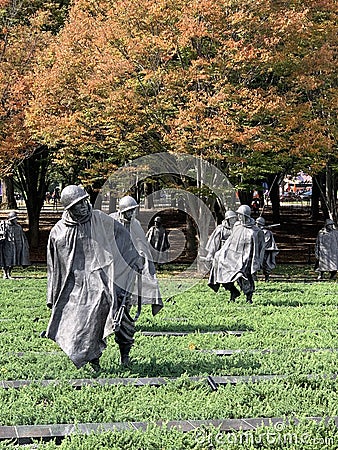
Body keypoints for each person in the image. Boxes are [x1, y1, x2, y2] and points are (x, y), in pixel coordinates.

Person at [45, 185, 143, 371]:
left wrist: (134, 259)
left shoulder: (100, 219)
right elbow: (54, 267)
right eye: (77, 204)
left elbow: (122, 237)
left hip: (107, 279)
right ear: (68, 208)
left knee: (122, 318)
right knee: (83, 324)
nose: (83, 206)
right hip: (76, 287)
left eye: (84, 201)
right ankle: (93, 360)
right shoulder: (58, 233)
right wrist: (53, 296)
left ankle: (125, 356)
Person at [111, 196, 163, 315]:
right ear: (122, 211)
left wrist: (142, 256)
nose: (131, 213)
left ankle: (125, 312)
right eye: (129, 211)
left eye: (133, 210)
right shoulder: (112, 221)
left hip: (130, 262)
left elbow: (141, 243)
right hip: (114, 262)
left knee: (127, 292)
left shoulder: (135, 223)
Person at [208, 204, 265, 303]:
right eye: (238, 214)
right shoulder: (237, 226)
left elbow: (261, 248)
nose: (238, 217)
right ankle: (233, 292)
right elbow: (229, 242)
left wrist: (258, 261)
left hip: (246, 259)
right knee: (221, 269)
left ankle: (249, 297)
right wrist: (220, 253)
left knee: (243, 276)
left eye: (240, 215)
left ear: (246, 216)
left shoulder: (255, 231)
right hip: (233, 257)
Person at [2, 211, 30, 279]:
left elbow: (22, 237)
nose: (16, 220)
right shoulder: (5, 225)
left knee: (13, 260)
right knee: (6, 259)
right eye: (15, 219)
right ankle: (5, 274)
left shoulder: (18, 227)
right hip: (7, 245)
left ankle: (9, 273)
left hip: (15, 246)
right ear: (11, 219)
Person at [255, 216, 279, 281]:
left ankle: (267, 278)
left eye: (257, 224)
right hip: (256, 251)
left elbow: (265, 242)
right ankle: (254, 277)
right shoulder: (256, 231)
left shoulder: (267, 232)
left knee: (266, 264)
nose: (256, 225)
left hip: (265, 252)